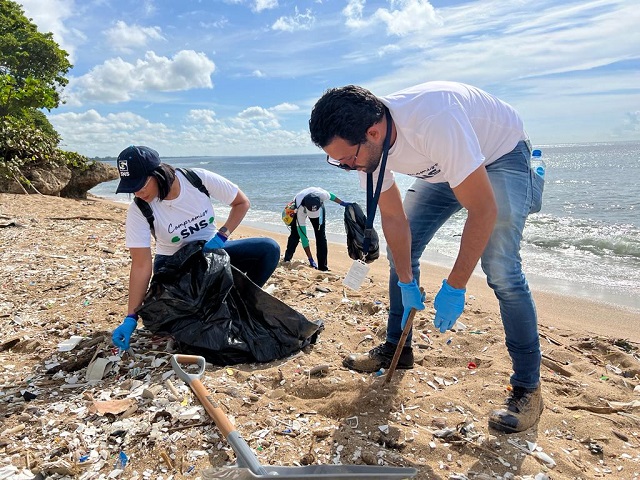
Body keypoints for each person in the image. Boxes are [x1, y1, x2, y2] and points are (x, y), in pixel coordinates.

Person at [309, 81, 545, 434]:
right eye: (336, 161)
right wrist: (405, 280)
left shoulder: (434, 119)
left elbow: (482, 210)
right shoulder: (366, 149)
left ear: (373, 132)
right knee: (400, 253)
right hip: (440, 170)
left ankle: (528, 388)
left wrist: (455, 286)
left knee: (501, 269)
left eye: (347, 159)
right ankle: (396, 349)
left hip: (499, 155)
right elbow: (393, 218)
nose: (346, 166)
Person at [111, 145, 280, 352]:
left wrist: (222, 235)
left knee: (268, 249)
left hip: (212, 253)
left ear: (158, 173)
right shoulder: (139, 209)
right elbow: (140, 265)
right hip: (176, 268)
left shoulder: (196, 179)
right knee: (185, 324)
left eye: (140, 184)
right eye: (131, 187)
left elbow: (241, 202)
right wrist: (131, 317)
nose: (137, 192)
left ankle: (242, 303)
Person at [283, 187, 350, 271]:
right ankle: (287, 258)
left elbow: (332, 196)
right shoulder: (300, 211)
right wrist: (310, 259)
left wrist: (342, 203)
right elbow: (304, 238)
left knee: (320, 236)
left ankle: (322, 267)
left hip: (318, 209)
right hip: (300, 204)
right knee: (295, 234)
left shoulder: (322, 195)